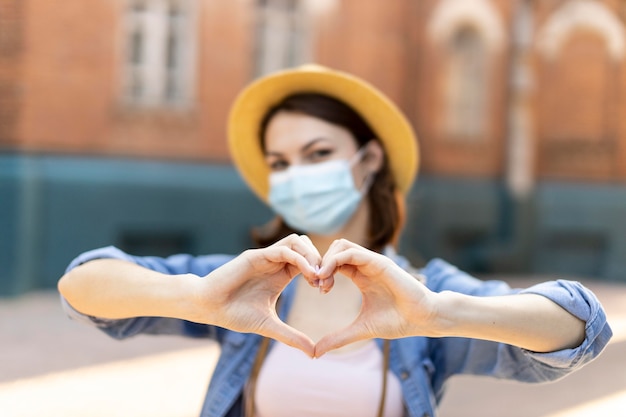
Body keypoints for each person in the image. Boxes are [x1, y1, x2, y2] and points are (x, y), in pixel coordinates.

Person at [58, 65, 612, 417]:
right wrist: (193, 298)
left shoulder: (424, 294)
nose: (296, 173)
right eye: (280, 162)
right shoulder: (244, 282)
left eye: (318, 154)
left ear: (368, 160)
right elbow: (83, 284)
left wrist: (439, 313)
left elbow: (582, 328)